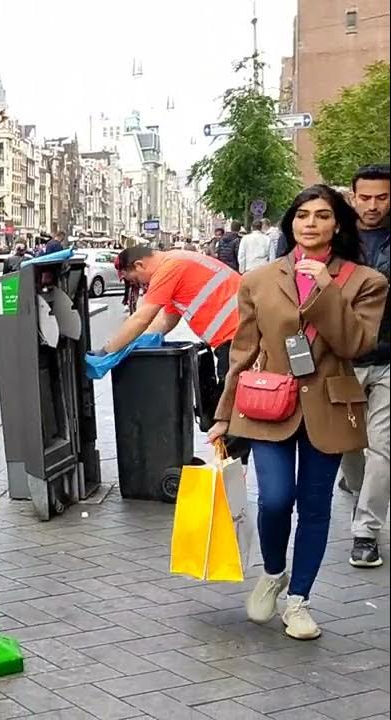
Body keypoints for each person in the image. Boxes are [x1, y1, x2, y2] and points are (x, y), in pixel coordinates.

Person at [208, 184, 388, 640]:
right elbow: (243, 352)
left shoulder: (366, 282)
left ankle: (299, 601)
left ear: (337, 224)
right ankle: (272, 572)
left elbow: (355, 345)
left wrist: (326, 289)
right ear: (291, 223)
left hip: (330, 405)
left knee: (314, 506)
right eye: (302, 215)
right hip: (267, 403)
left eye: (323, 215)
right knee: (273, 499)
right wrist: (223, 415)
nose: (311, 223)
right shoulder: (259, 280)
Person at [340, 164, 391, 568]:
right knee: (348, 446)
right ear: (353, 196)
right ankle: (361, 494)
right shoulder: (336, 239)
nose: (373, 205)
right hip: (344, 360)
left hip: (389, 359)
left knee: (382, 447)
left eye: (383, 197)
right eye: (366, 197)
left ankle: (366, 531)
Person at [103, 246, 240, 393]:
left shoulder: (167, 269)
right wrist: (142, 340)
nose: (141, 285)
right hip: (237, 333)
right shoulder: (175, 261)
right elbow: (167, 319)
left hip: (236, 335)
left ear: (139, 265)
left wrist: (108, 351)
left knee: (232, 400)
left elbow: (141, 318)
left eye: (136, 279)